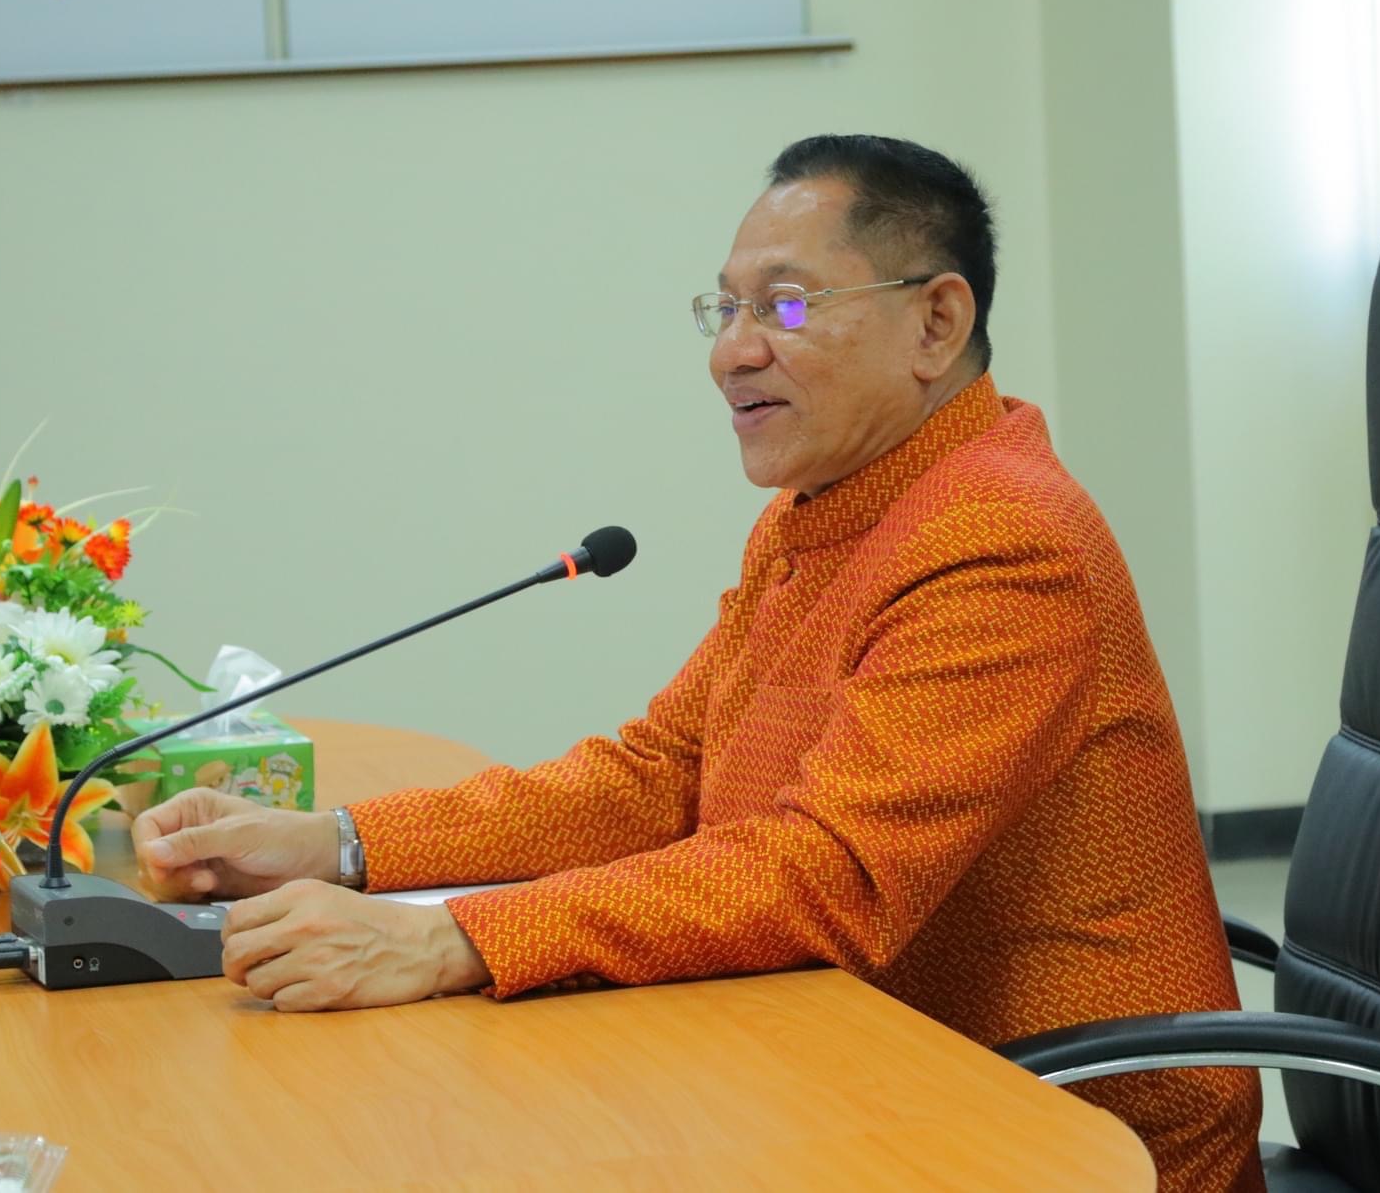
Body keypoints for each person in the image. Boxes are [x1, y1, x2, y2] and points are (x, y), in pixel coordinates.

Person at [135, 134, 1263, 1189]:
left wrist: (448, 939)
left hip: (1060, 1122)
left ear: (935, 322)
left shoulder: (1001, 539)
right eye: (724, 309)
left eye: (785, 304)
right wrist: (336, 846)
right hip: (862, 1060)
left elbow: (827, 875)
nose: (733, 351)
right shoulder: (819, 514)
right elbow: (660, 774)